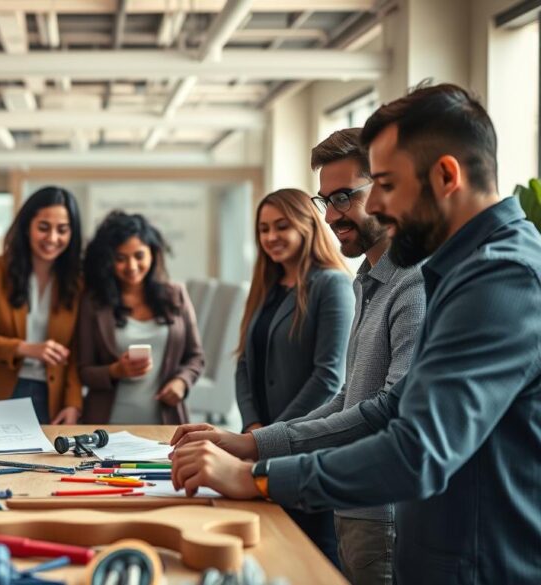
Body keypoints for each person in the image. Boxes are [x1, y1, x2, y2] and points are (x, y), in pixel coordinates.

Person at [169, 83, 541, 584]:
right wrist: (254, 449)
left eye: (385, 185)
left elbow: (418, 450)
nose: (380, 206)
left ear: (446, 175)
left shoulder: (503, 276)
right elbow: (387, 407)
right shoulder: (457, 270)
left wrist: (256, 478)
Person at [173, 129, 427, 585]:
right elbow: (350, 395)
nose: (332, 214)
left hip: (381, 511)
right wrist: (250, 439)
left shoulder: (414, 284)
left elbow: (385, 411)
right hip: (350, 503)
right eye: (326, 200)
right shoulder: (366, 280)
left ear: (388, 188)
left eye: (345, 197)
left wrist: (256, 453)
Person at [233, 188, 353, 566]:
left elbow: (328, 378)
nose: (270, 237)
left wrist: (267, 437)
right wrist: (253, 427)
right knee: (272, 549)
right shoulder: (266, 286)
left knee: (310, 556)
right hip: (261, 439)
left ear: (308, 225)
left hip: (306, 447)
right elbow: (243, 363)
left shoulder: (331, 284)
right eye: (264, 229)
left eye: (282, 226)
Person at [0, 186, 84, 424]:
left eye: (62, 230)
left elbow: (77, 352)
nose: (52, 238)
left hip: (51, 397)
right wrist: (26, 348)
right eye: (43, 227)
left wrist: (74, 403)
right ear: (27, 227)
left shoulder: (78, 281)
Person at [76, 211, 204, 425]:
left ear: (152, 254)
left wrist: (181, 383)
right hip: (106, 424)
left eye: (139, 255)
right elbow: (83, 370)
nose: (132, 266)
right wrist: (115, 370)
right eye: (120, 258)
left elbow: (196, 357)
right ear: (108, 261)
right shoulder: (94, 303)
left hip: (166, 422)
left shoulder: (176, 295)